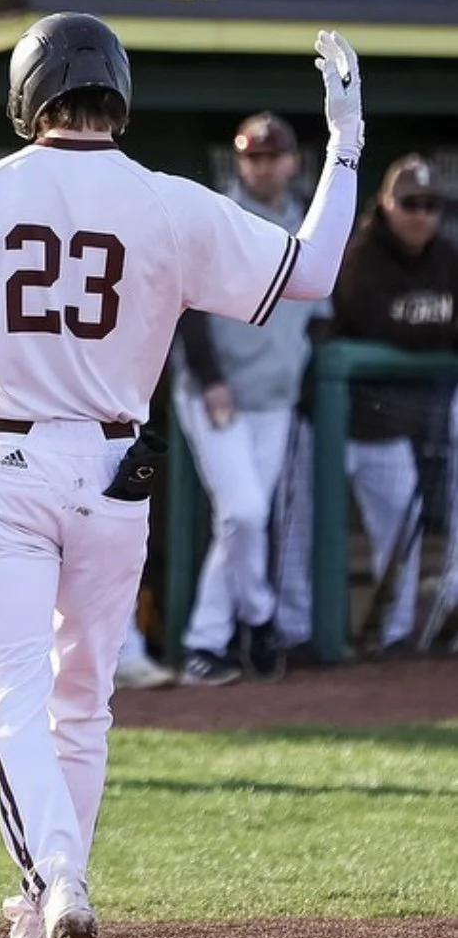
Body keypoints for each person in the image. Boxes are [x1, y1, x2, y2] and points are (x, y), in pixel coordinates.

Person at [0, 13, 363, 938]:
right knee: (84, 699)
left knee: (13, 697)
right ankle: (38, 904)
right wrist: (344, 147)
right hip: (114, 472)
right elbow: (313, 272)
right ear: (118, 94)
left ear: (26, 93)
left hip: (4, 464)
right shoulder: (168, 200)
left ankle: (57, 884)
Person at [276, 154, 458, 655]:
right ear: (386, 203)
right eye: (410, 204)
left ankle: (394, 634)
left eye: (430, 205)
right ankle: (294, 635)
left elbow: (401, 327)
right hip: (324, 427)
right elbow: (374, 321)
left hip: (389, 428)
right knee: (296, 540)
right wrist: (437, 333)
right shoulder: (358, 253)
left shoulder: (447, 259)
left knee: (404, 534)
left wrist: (420, 333)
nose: (421, 215)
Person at [170, 113, 323, 687]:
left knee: (240, 524)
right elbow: (186, 304)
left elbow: (322, 316)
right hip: (218, 393)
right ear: (239, 161)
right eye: (252, 156)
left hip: (275, 396)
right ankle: (257, 618)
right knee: (243, 512)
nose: (263, 165)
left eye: (272, 155)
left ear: (291, 160)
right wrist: (209, 377)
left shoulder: (308, 220)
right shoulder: (218, 215)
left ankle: (208, 643)